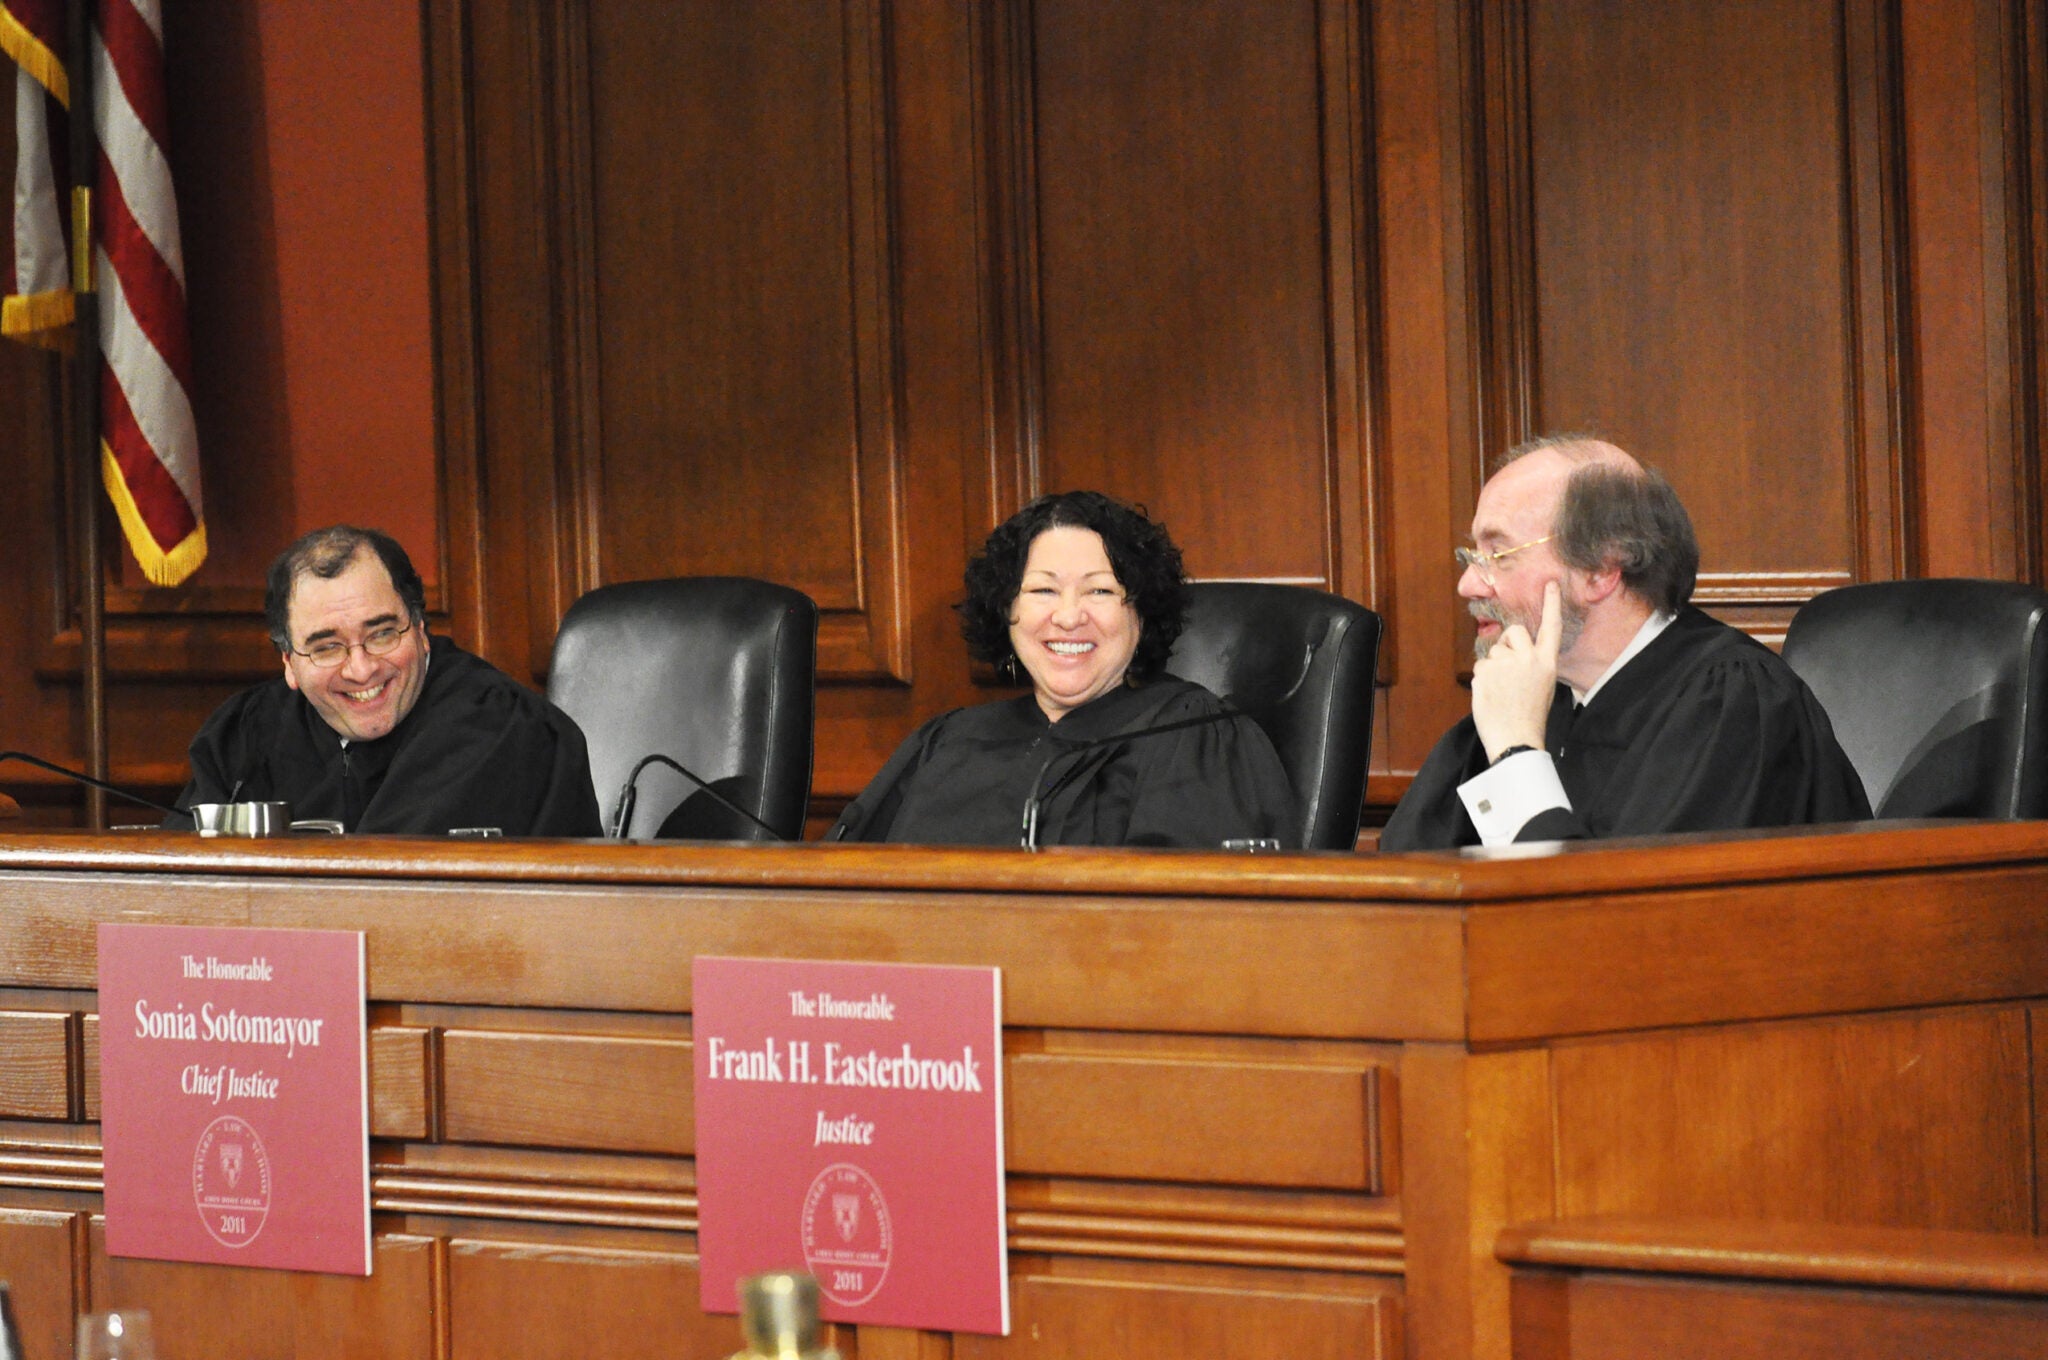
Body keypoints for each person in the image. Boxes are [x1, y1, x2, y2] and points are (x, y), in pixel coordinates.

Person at [1380, 436, 1869, 851]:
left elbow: (1624, 930)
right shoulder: (1531, 700)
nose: (1468, 585)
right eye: (1472, 554)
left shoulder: (1732, 702)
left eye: (1497, 554)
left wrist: (1516, 755)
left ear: (1601, 571)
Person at [832, 491, 1298, 847]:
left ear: (1141, 612)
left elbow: (1199, 927)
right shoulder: (947, 741)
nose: (1069, 616)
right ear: (1006, 610)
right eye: (1042, 591)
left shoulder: (1193, 734)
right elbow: (842, 889)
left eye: (1099, 591)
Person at [167, 526, 603, 836]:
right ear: (289, 662)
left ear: (419, 628)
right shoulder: (246, 734)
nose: (361, 669)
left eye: (381, 634)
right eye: (326, 647)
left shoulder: (500, 726)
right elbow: (175, 882)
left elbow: (393, 893)